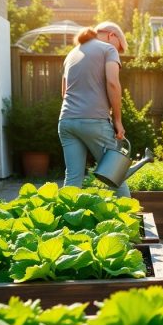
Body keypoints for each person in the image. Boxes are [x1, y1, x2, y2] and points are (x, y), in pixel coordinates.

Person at [58, 21, 130, 195]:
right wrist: (118, 121)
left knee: (73, 178)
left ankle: (67, 220)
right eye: (119, 48)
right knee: (116, 176)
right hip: (94, 121)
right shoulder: (107, 49)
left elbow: (64, 92)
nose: (118, 52)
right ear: (112, 35)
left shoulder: (72, 53)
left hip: (66, 122)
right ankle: (132, 221)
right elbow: (113, 83)